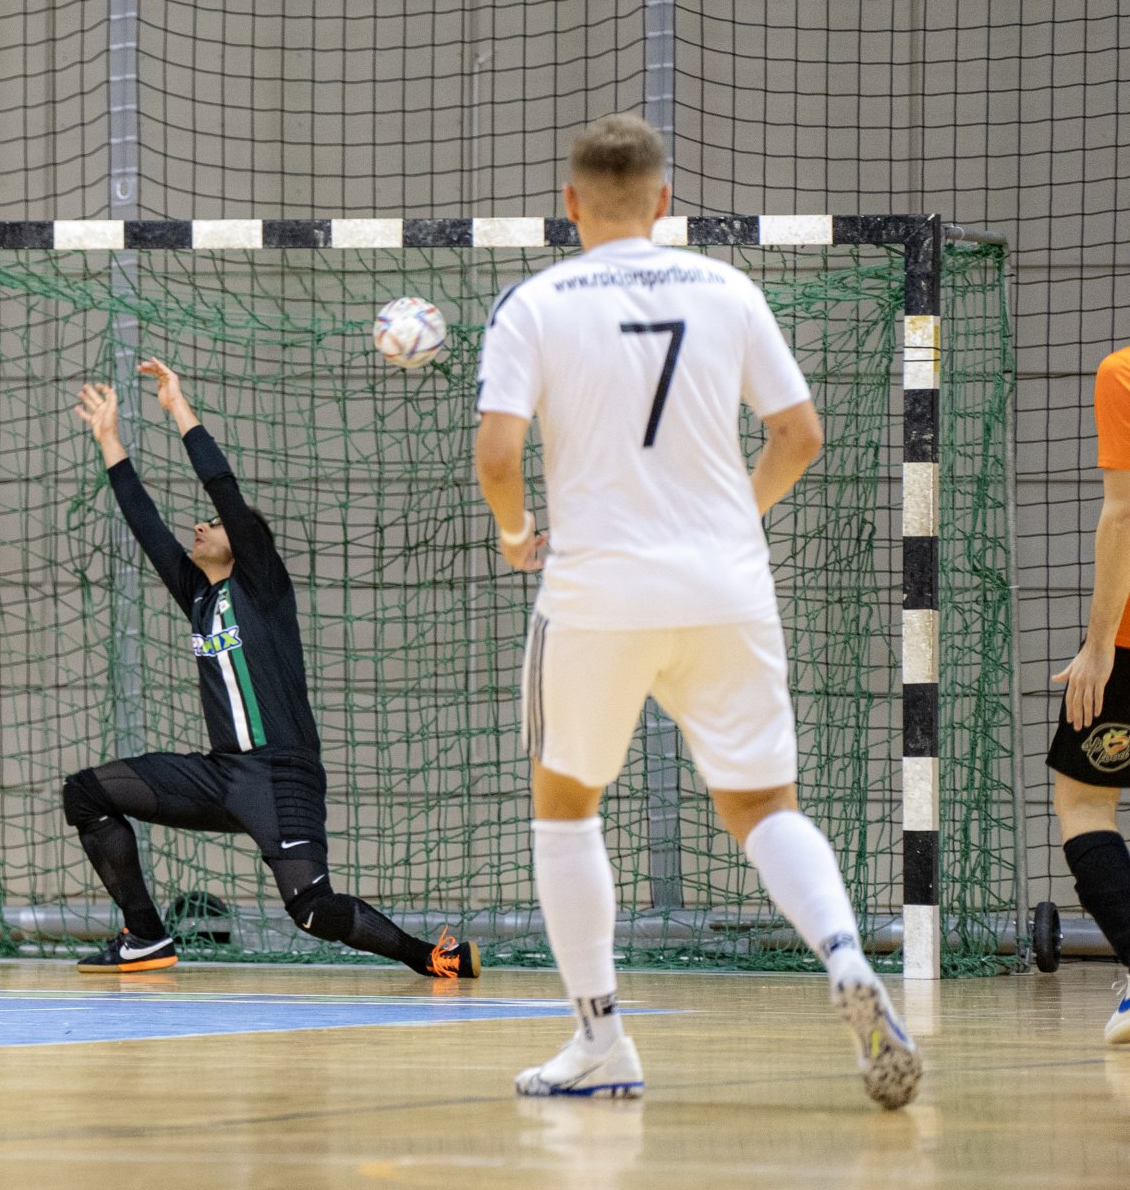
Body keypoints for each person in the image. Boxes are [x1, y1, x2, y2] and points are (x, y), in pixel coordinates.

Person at [473, 114, 920, 1107]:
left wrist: (514, 533)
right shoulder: (730, 289)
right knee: (764, 806)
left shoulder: (536, 303)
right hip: (726, 584)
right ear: (665, 202)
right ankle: (845, 955)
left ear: (572, 202)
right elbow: (799, 432)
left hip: (596, 592)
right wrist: (728, 517)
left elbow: (498, 456)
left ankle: (600, 1039)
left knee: (565, 807)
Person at [64, 361, 480, 979]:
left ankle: (430, 958)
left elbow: (222, 487)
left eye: (215, 525)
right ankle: (146, 936)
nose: (200, 526)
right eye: (200, 526)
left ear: (243, 539)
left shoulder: (260, 584)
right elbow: (146, 525)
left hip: (281, 775)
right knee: (86, 793)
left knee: (312, 911)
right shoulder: (198, 593)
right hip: (220, 774)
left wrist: (178, 408)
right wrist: (110, 440)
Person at [1043, 347, 1130, 1046]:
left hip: (1129, 637)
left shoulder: (1122, 372)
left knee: (1083, 801)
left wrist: (1099, 646)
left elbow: (1122, 513)